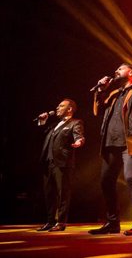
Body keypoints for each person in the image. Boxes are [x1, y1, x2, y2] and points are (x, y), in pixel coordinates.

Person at [89, 63, 132, 236]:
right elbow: (98, 111)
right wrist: (101, 90)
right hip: (111, 142)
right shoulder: (113, 93)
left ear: (131, 72)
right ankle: (112, 223)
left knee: (131, 177)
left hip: (131, 141)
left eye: (120, 69)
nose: (116, 71)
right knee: (106, 181)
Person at [36, 99, 85, 232]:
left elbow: (79, 135)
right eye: (57, 106)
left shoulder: (75, 122)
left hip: (62, 162)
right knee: (49, 194)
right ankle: (51, 221)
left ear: (69, 109)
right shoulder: (54, 125)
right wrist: (42, 121)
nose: (57, 108)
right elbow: (40, 136)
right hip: (48, 162)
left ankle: (61, 222)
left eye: (61, 106)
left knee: (62, 193)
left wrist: (79, 142)